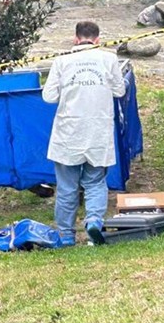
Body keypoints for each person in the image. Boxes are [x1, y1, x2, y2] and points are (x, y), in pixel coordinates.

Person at [41, 21, 126, 246]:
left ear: (75, 39)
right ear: (98, 40)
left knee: (67, 186)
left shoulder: (61, 61)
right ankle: (94, 222)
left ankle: (66, 235)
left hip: (68, 133)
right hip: (98, 131)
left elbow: (48, 97)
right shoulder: (109, 59)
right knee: (96, 181)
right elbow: (120, 90)